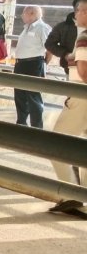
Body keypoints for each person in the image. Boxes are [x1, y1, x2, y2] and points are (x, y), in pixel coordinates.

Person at [48, 12, 87, 216]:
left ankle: (73, 195)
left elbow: (84, 72)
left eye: (81, 11)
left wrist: (73, 60)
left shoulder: (85, 37)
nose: (77, 15)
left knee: (56, 143)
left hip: (81, 97)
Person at [13, 5, 50, 128]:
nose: (22, 15)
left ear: (32, 14)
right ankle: (21, 123)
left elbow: (49, 47)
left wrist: (44, 62)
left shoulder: (42, 28)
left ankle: (36, 127)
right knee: (19, 94)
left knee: (33, 96)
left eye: (24, 13)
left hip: (34, 64)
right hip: (21, 64)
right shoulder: (26, 27)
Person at [45, 0, 86, 79]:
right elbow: (49, 44)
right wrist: (65, 54)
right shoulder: (62, 27)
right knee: (74, 91)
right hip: (72, 70)